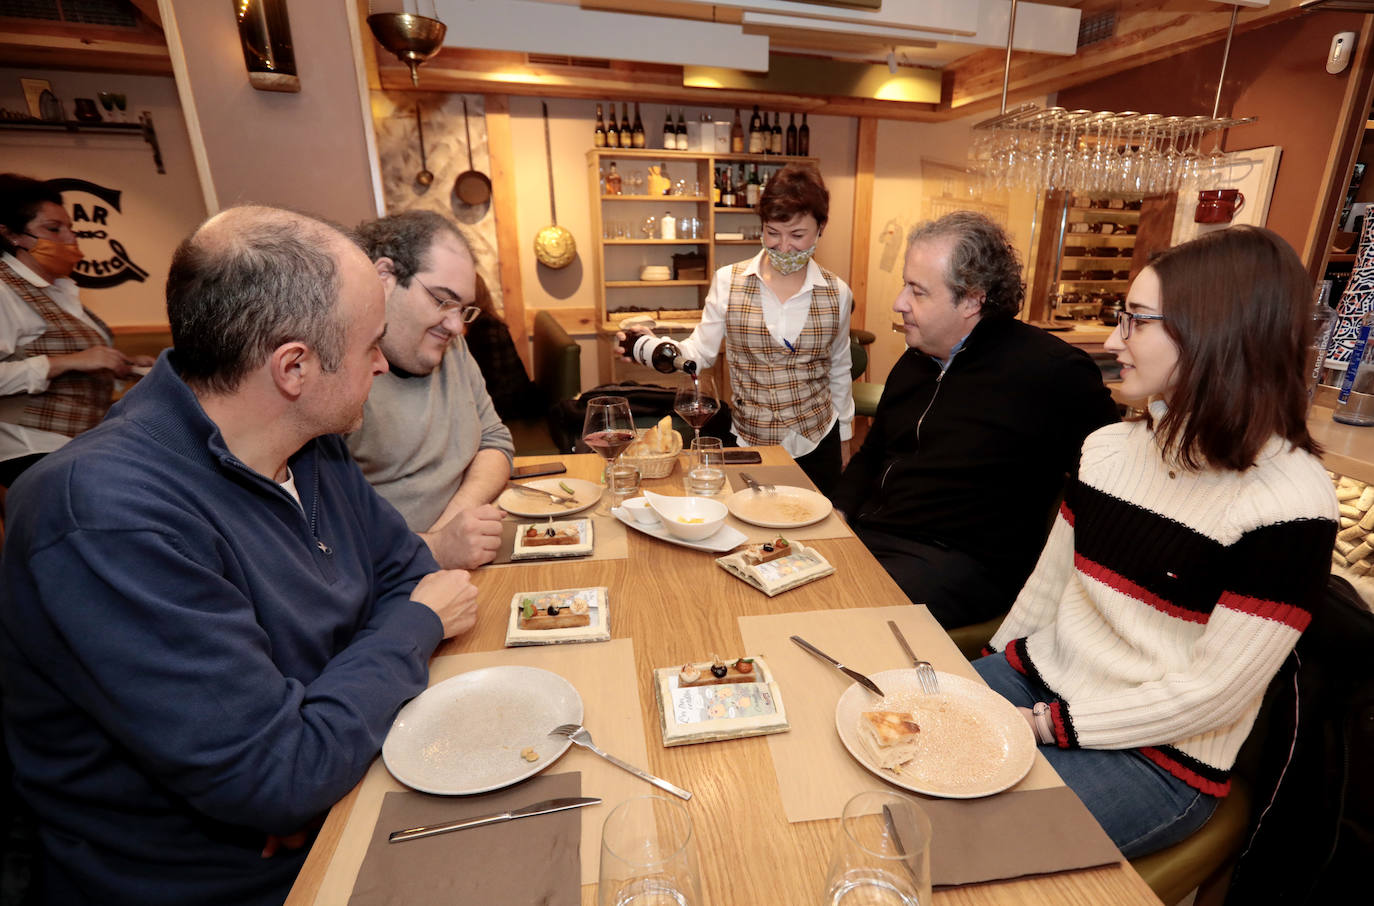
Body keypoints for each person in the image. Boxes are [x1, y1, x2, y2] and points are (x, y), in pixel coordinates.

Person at [0, 206, 479, 906]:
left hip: (332, 800)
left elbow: (406, 571)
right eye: (369, 344)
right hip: (217, 881)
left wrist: (318, 745)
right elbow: (280, 777)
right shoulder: (106, 519)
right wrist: (412, 628)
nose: (381, 361)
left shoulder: (309, 443)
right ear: (294, 366)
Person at [973, 225, 1339, 858]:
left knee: (959, 839)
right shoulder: (1109, 447)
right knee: (889, 739)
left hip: (1158, 756)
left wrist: (1047, 725)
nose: (1114, 341)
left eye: (1136, 321)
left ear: (1215, 334)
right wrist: (986, 671)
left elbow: (1213, 694)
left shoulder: (1290, 502)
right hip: (1040, 685)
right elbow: (1048, 587)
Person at [831, 211, 1118, 629]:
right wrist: (837, 509)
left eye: (918, 291)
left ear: (971, 299)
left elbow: (1108, 480)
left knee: (834, 616)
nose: (899, 303)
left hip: (961, 564)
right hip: (873, 537)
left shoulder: (1052, 371)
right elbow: (873, 453)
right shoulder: (916, 359)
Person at [618, 162, 854, 495]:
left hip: (817, 442)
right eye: (773, 233)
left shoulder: (838, 293)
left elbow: (840, 370)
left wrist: (845, 439)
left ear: (821, 228)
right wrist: (648, 346)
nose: (784, 246)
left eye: (798, 235)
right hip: (750, 442)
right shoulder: (729, 281)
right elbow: (699, 352)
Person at [349, 211, 514, 570]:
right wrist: (435, 549)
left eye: (463, 309)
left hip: (467, 552)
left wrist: (453, 526)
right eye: (442, 300)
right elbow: (324, 543)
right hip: (395, 579)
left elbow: (494, 440)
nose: (456, 325)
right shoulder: (337, 376)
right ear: (384, 279)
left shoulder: (448, 345)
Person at [0, 173, 151, 487]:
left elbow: (71, 356)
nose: (70, 239)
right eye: (53, 230)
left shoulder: (61, 291)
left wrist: (123, 364)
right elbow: (65, 360)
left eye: (70, 228)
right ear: (11, 235)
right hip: (33, 450)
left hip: (80, 443)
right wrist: (68, 362)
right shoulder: (3, 290)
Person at [465, 271, 548, 422]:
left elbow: (493, 385)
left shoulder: (485, 327)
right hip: (515, 401)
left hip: (513, 409)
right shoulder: (482, 322)